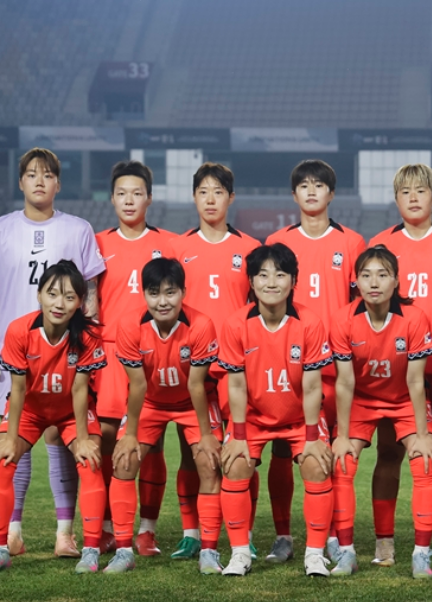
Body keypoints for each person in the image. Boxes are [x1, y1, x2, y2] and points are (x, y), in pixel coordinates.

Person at [0, 148, 105, 557]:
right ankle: (13, 532)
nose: (39, 181)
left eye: (47, 175)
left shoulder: (78, 229)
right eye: (31, 174)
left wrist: (89, 344)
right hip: (14, 352)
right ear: (20, 182)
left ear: (58, 184)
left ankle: (66, 533)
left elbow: (91, 293)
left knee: (62, 436)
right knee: (16, 437)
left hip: (67, 350)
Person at [263, 159, 366, 562]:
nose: (311, 191)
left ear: (331, 193)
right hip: (289, 363)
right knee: (282, 450)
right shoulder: (278, 240)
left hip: (337, 366)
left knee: (334, 450)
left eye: (318, 185)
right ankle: (284, 535)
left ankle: (336, 536)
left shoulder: (352, 242)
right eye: (303, 185)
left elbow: (360, 305)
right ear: (294, 195)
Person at [0, 261, 107, 574]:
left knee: (90, 462)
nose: (59, 304)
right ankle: (1, 548)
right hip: (31, 411)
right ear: (39, 295)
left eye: (69, 297)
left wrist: (83, 439)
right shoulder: (19, 330)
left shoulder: (88, 336)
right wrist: (9, 439)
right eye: (52, 294)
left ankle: (90, 551)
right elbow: (18, 390)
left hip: (70, 412)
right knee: (2, 460)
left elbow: (80, 390)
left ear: (80, 302)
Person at [217, 243, 334, 577]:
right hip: (253, 417)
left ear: (293, 281)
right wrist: (239, 436)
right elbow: (236, 386)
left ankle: (315, 554)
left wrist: (311, 437)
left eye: (280, 274)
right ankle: (240, 553)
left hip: (299, 417)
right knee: (235, 464)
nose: (271, 282)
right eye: (263, 275)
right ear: (251, 282)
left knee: (316, 464)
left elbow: (312, 386)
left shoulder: (310, 323)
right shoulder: (236, 324)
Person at [365, 163, 432, 566]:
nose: (413, 198)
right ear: (396, 199)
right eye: (405, 192)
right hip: (399, 373)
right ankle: (384, 543)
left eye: (421, 191)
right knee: (390, 454)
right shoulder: (381, 245)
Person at [163, 162, 260, 559]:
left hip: (237, 366)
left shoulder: (250, 249)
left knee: (242, 451)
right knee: (193, 452)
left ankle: (245, 534)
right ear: (193, 197)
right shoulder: (178, 248)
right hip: (190, 367)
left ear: (230, 198)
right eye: (203, 192)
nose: (210, 199)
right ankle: (193, 533)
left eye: (218, 192)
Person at [105, 258, 223, 574]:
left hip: (192, 402)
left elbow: (197, 385)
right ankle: (123, 551)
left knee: (209, 462)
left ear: (183, 292)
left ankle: (209, 551)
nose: (162, 301)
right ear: (144, 293)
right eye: (154, 293)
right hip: (150, 403)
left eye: (170, 292)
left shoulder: (201, 325)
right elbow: (137, 385)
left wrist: (206, 435)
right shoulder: (129, 325)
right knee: (124, 460)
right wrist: (130, 434)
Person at [329, 246, 432, 578]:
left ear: (396, 281)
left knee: (424, 461)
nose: (373, 282)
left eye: (382, 274)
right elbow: (345, 382)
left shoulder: (415, 318)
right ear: (356, 281)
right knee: (343, 462)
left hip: (404, 398)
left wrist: (423, 435)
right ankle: (347, 552)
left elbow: (416, 380)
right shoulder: (343, 319)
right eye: (366, 275)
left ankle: (421, 554)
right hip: (362, 400)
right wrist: (342, 436)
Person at [94, 161, 175, 556]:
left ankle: (147, 530)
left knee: (152, 442)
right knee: (109, 439)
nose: (129, 200)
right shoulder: (96, 243)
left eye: (137, 193)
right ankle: (110, 526)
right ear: (112, 199)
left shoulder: (169, 244)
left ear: (149, 198)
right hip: (109, 353)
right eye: (122, 194)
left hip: (153, 352)